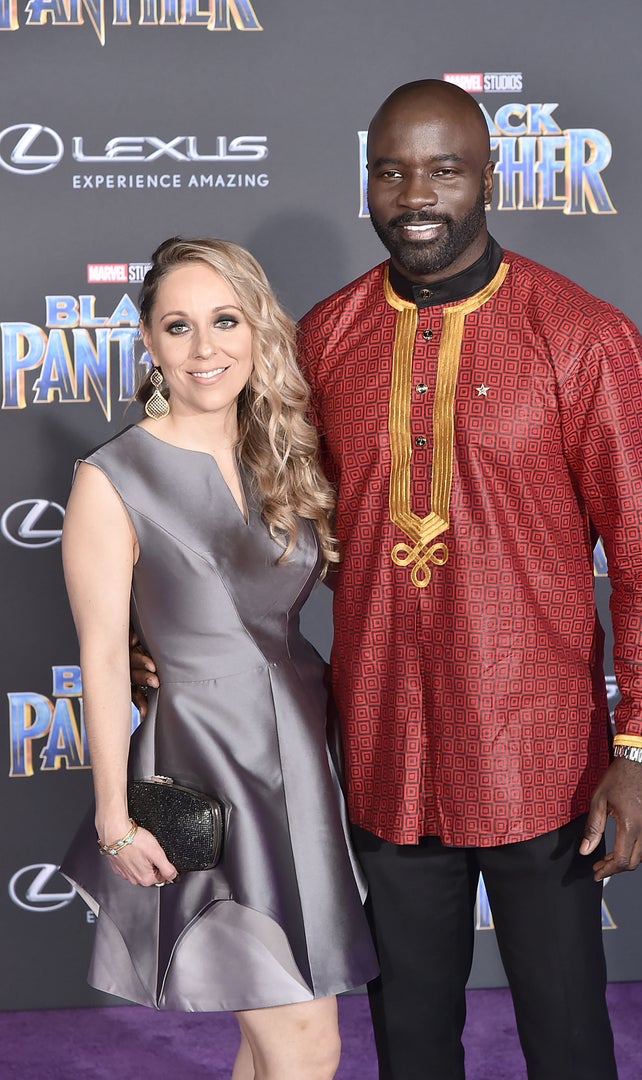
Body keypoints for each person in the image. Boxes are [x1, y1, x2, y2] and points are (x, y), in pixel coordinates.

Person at [132, 82, 642, 1080]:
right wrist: (176, 635)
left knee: (569, 1039)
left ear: (488, 177)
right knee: (409, 1043)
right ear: (369, 184)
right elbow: (269, 524)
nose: (414, 191)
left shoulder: (583, 337)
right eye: (391, 170)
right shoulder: (325, 340)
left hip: (541, 759)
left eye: (442, 168)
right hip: (385, 755)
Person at [61, 237, 378, 1080]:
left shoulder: (285, 453)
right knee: (306, 1040)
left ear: (256, 328)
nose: (206, 349)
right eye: (179, 326)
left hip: (307, 755)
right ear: (152, 345)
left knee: (267, 1037)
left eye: (225, 320)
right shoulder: (112, 477)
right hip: (207, 766)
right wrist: (112, 816)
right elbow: (99, 658)